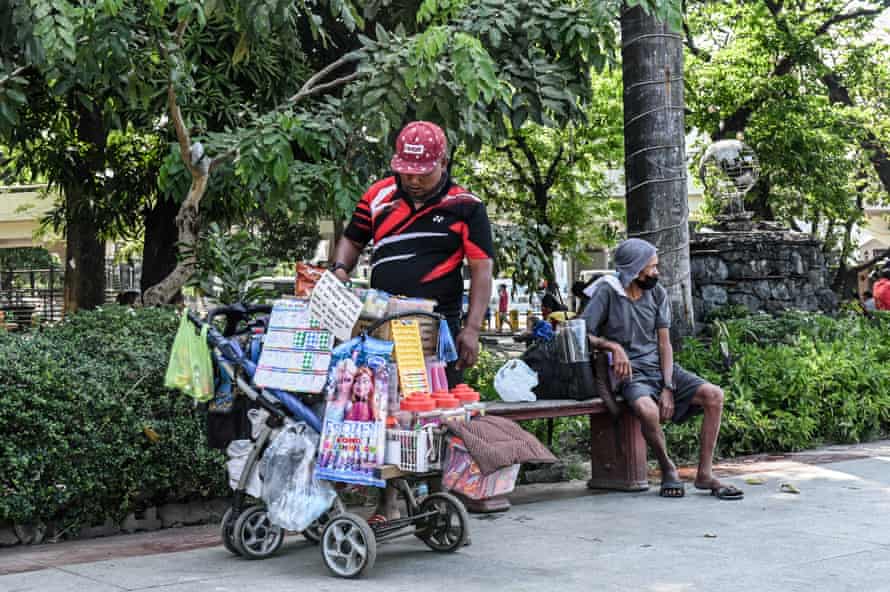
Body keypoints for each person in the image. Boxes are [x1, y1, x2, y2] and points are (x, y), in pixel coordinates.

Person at [330, 120, 495, 519]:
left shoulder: (466, 206)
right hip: (383, 325)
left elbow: (481, 269)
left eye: (421, 173)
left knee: (436, 412)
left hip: (438, 330)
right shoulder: (379, 195)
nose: (412, 180)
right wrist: (338, 272)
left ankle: (440, 498)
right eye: (405, 170)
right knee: (386, 410)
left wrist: (471, 330)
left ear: (443, 163)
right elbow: (353, 238)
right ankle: (386, 500)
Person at [581, 238, 743, 500]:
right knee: (647, 409)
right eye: (652, 267)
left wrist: (668, 386)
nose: (657, 272)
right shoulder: (607, 292)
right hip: (630, 374)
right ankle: (668, 468)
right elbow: (581, 332)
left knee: (715, 395)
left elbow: (664, 344)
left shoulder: (657, 293)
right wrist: (612, 346)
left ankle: (704, 474)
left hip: (659, 367)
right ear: (634, 269)